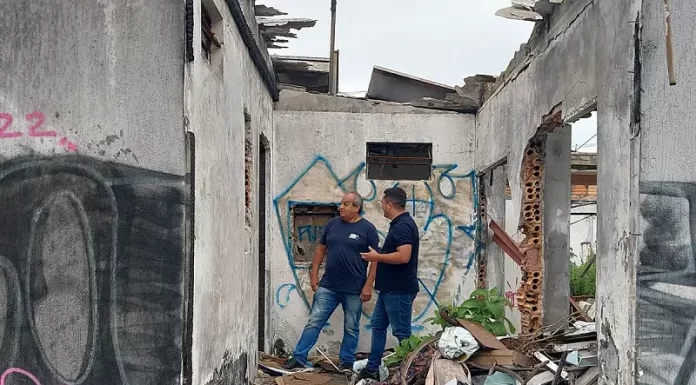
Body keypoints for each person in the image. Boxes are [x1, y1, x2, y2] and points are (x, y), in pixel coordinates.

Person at [285, 191, 380, 371]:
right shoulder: (332, 224)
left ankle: (346, 361)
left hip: (354, 289)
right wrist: (314, 274)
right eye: (341, 204)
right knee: (314, 322)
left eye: (345, 204)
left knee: (351, 327)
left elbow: (375, 259)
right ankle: (299, 357)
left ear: (356, 208)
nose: (341, 207)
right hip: (328, 287)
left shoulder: (367, 229)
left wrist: (368, 285)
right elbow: (320, 250)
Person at [356, 187, 420, 381]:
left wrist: (377, 257)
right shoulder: (398, 224)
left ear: (390, 204)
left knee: (402, 334)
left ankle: (414, 371)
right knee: (378, 327)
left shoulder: (402, 226)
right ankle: (373, 367)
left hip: (399, 290)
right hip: (388, 290)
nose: (381, 206)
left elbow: (404, 256)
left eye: (382, 203)